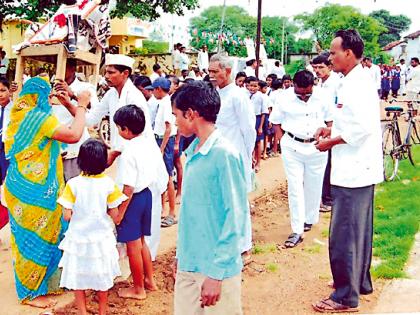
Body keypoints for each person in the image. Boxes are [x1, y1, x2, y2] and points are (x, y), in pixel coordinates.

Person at [312, 29, 383, 313]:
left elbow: (363, 127)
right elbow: (352, 121)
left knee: (344, 234)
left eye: (333, 52)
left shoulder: (358, 84)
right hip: (357, 170)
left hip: (354, 172)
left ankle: (345, 296)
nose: (330, 58)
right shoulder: (352, 81)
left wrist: (332, 140)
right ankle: (359, 282)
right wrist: (331, 129)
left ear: (348, 53)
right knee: (359, 231)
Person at [4, 77, 89, 308]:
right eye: (47, 96)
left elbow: (31, 147)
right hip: (36, 190)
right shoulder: (39, 119)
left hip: (20, 184)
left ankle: (47, 283)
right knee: (36, 238)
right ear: (40, 96)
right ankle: (31, 293)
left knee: (33, 236)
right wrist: (81, 104)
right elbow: (74, 135)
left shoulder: (17, 116)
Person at [171, 81, 247, 315]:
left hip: (217, 269)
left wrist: (217, 273)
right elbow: (193, 214)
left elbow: (236, 216)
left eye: (176, 115)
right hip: (189, 263)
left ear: (191, 114)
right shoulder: (192, 153)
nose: (175, 122)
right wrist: (181, 256)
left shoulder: (224, 154)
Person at [57, 139, 126, 315]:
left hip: (78, 238)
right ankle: (102, 311)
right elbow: (115, 214)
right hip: (101, 238)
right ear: (104, 162)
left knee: (77, 275)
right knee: (102, 275)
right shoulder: (109, 184)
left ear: (80, 161)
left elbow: (67, 215)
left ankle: (82, 311)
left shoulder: (73, 184)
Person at [270, 70, 333, 248]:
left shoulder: (323, 96)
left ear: (313, 85)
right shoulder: (283, 97)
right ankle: (297, 229)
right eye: (300, 93)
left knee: (314, 185)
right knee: (295, 186)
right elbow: (275, 121)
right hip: (292, 146)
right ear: (293, 85)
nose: (304, 96)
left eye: (308, 93)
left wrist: (327, 136)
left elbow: (330, 120)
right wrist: (282, 141)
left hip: (317, 147)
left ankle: (309, 219)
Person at [112, 105, 166, 299]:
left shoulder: (129, 153)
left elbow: (128, 187)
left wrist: (119, 213)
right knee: (142, 242)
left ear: (126, 129)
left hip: (133, 200)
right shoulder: (147, 144)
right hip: (147, 195)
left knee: (133, 246)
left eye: (119, 128)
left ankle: (138, 289)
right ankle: (149, 280)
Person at [209, 54, 256, 258]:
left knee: (238, 202)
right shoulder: (216, 94)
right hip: (218, 156)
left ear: (227, 71)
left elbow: (248, 129)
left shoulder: (238, 95)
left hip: (236, 156)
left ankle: (244, 245)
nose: (211, 75)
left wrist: (247, 156)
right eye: (209, 71)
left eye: (215, 71)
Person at [53, 58, 99, 181]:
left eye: (63, 67)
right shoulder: (50, 88)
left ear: (73, 68)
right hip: (53, 151)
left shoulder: (86, 87)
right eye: (56, 67)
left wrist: (72, 94)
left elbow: (92, 113)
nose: (58, 71)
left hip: (75, 150)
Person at [312, 53, 342, 213]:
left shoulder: (337, 83)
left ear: (329, 67)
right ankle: (322, 197)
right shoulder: (319, 85)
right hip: (320, 126)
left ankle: (328, 198)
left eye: (321, 67)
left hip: (333, 126)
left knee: (329, 164)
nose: (317, 71)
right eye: (315, 68)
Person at [150, 77, 177, 228]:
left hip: (164, 140)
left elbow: (168, 128)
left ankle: (171, 212)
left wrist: (161, 148)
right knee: (161, 176)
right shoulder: (162, 102)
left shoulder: (166, 103)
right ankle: (162, 209)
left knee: (167, 177)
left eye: (153, 89)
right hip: (160, 138)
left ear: (159, 89)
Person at [247, 76, 268, 172]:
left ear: (258, 87)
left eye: (255, 86)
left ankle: (258, 163)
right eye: (251, 86)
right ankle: (251, 161)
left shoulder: (261, 96)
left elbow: (264, 112)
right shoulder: (244, 95)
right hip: (247, 119)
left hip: (258, 119)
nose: (252, 88)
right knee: (248, 142)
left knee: (257, 143)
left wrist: (260, 127)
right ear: (247, 86)